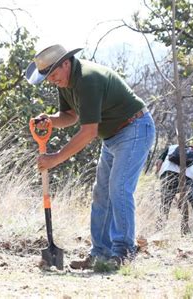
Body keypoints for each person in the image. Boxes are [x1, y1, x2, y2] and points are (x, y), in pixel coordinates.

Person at [26, 44, 155, 269]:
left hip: (134, 128)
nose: (52, 81)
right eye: (48, 78)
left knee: (119, 187)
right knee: (101, 193)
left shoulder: (87, 79)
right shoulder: (66, 82)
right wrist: (50, 121)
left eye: (54, 75)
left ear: (66, 63)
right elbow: (70, 116)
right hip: (112, 136)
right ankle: (100, 254)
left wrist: (55, 158)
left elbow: (88, 132)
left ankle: (124, 251)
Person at [155, 144, 193, 232]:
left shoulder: (171, 148)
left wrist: (159, 175)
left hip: (168, 175)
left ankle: (159, 230)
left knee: (165, 205)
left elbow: (159, 162)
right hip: (188, 178)